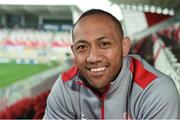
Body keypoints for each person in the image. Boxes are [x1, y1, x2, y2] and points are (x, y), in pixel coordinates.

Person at [43, 9, 180, 119]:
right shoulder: (65, 87)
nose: (93, 58)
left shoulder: (155, 90)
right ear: (74, 51)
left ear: (124, 47)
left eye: (104, 44)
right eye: (82, 47)